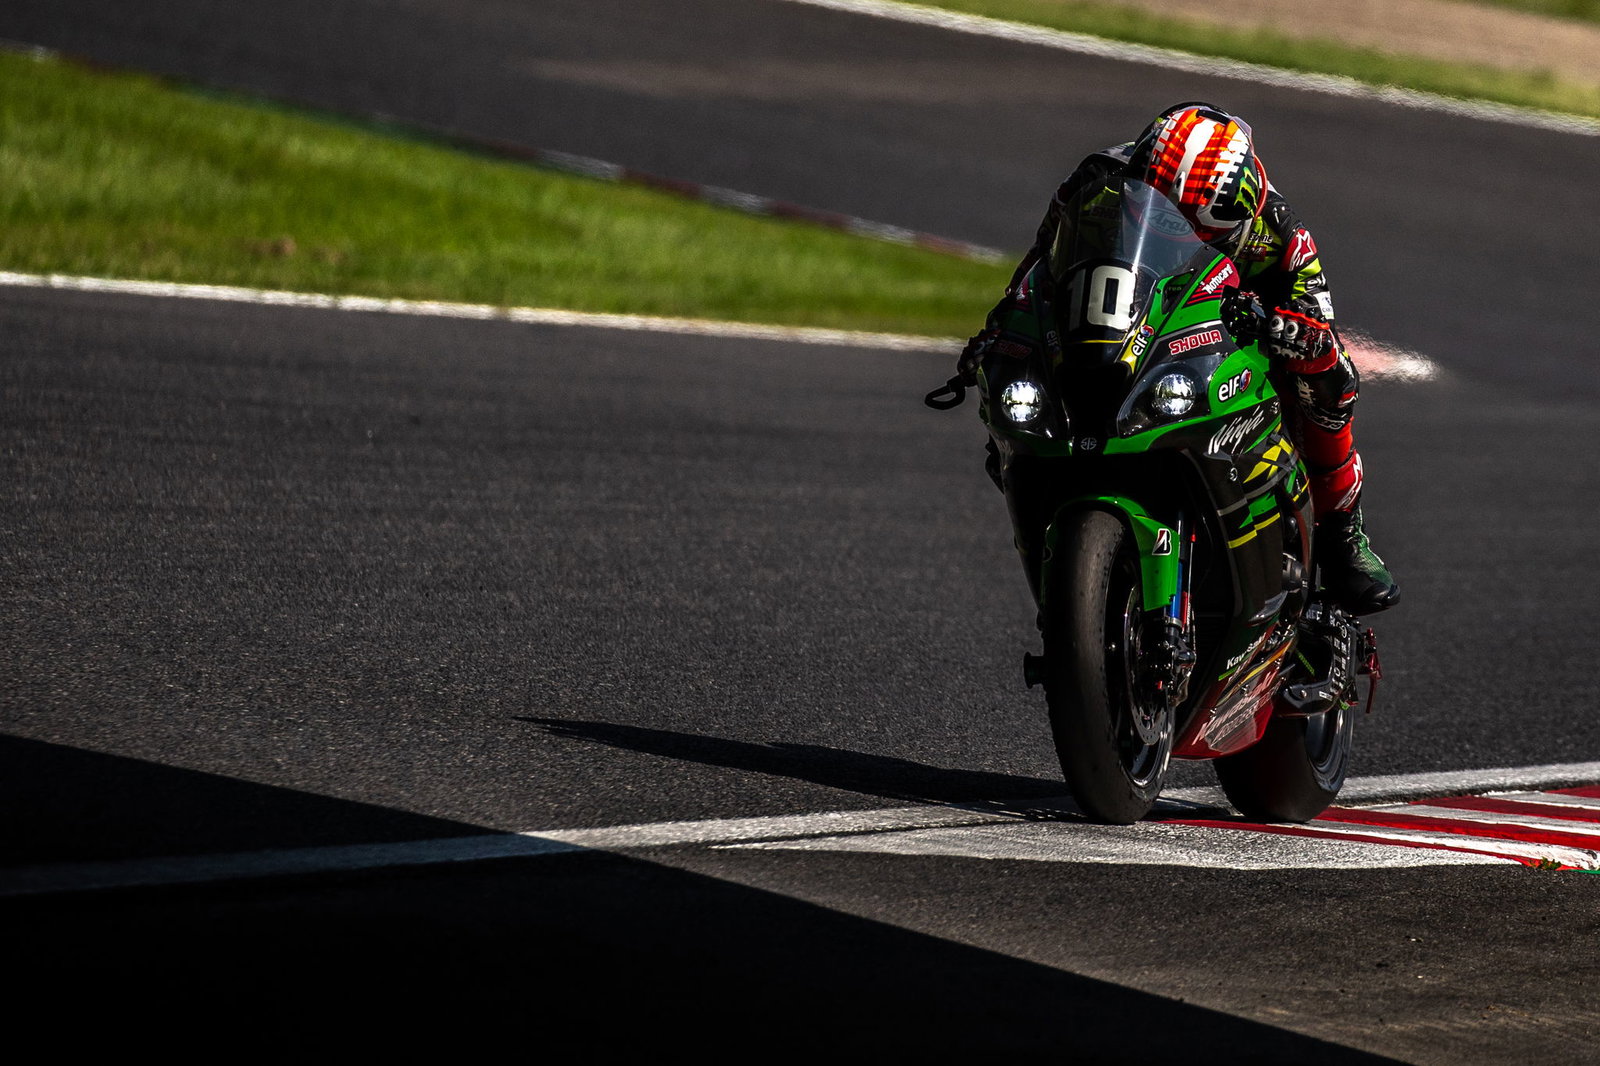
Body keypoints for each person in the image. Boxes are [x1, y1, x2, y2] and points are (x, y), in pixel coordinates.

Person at [959, 101, 1399, 614]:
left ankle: (1344, 534)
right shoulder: (1097, 179)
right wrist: (1000, 329)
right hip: (1133, 309)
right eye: (1169, 216)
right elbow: (1039, 267)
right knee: (1013, 368)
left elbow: (1319, 332)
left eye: (1195, 226)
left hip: (1230, 322)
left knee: (1332, 382)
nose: (1180, 231)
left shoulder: (1281, 232)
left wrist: (1287, 329)